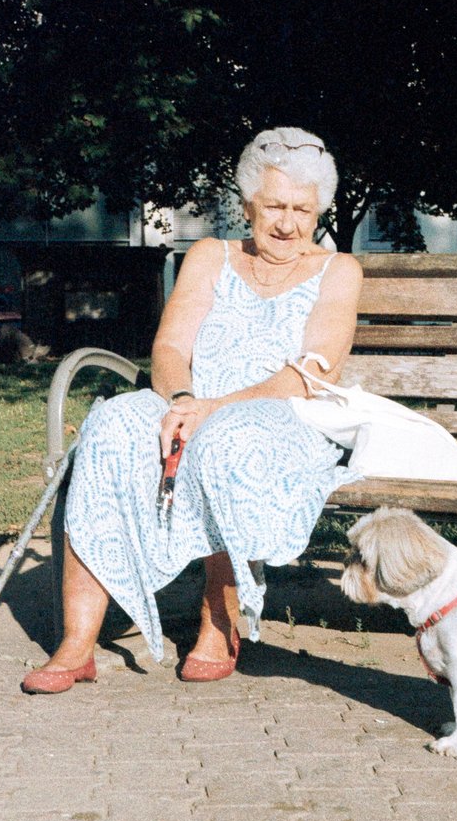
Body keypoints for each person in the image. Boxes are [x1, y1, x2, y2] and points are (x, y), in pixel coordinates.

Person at [23, 127, 364, 693]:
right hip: (192, 398)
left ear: (319, 211)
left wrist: (212, 409)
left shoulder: (338, 270)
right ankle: (77, 642)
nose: (287, 223)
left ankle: (219, 617)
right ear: (247, 204)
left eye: (302, 209)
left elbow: (313, 371)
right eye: (274, 205)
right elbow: (172, 347)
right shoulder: (210, 256)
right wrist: (182, 399)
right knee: (110, 426)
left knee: (228, 439)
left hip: (282, 412)